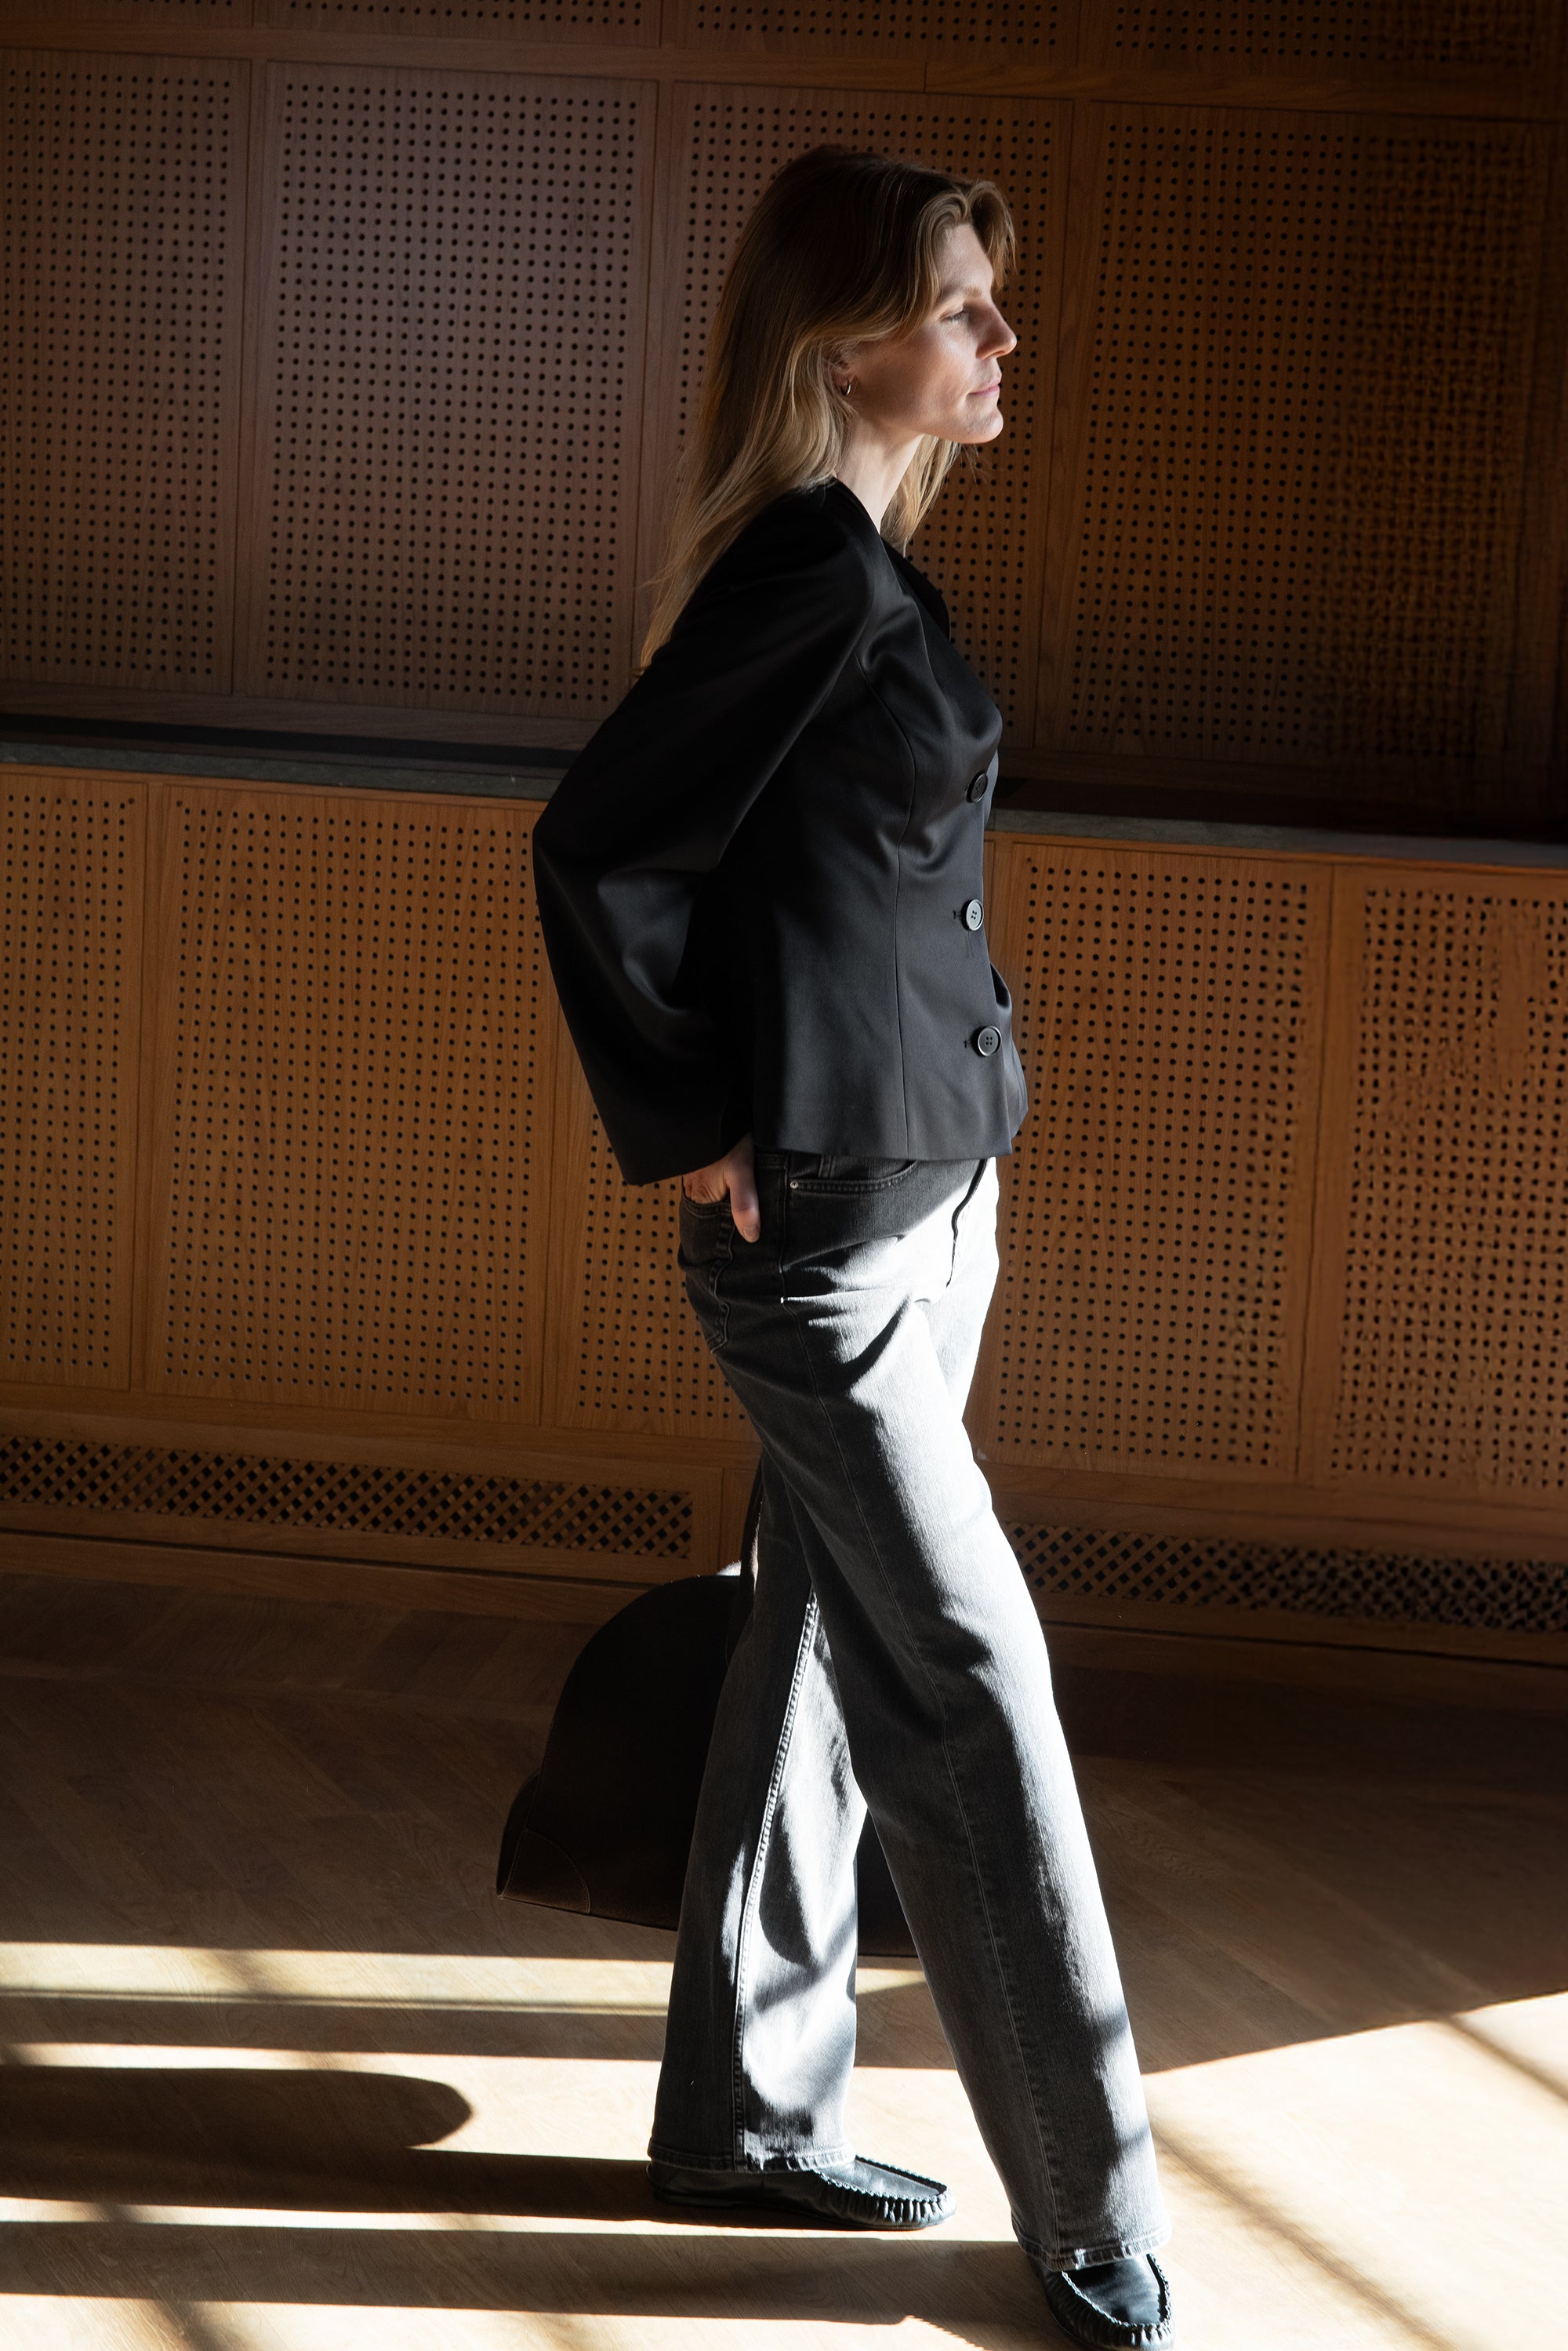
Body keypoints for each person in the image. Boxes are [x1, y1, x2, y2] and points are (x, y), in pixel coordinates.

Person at [532, 143, 1175, 2351]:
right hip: (826, 1231)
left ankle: (740, 2111)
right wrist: (691, 1118)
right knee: (972, 1676)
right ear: (843, 342)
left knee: (817, 1645)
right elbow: (599, 847)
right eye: (962, 303)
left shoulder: (870, 563)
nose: (1002, 335)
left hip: (934, 1196)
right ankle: (1090, 2201)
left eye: (992, 298)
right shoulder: (806, 568)